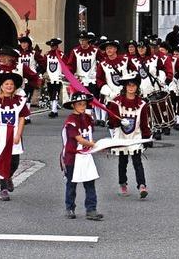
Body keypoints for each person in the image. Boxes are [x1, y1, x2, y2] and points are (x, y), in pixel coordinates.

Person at [107, 73, 151, 198]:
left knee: (137, 161)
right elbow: (112, 123)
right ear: (125, 87)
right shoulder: (116, 102)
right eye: (129, 85)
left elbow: (144, 123)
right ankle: (122, 183)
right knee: (123, 161)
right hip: (121, 136)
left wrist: (147, 137)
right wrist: (118, 121)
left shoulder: (142, 104)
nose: (131, 87)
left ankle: (142, 185)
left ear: (137, 87)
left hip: (135, 136)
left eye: (134, 85)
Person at [0, 72, 29, 202]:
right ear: (1, 86)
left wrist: (18, 134)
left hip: (15, 134)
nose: (9, 86)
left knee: (14, 161)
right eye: (6, 84)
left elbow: (22, 118)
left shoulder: (20, 101)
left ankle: (8, 176)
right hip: (1, 135)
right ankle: (3, 189)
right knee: (3, 161)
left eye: (11, 84)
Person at [61, 91, 103, 221]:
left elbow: (88, 135)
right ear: (74, 105)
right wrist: (94, 145)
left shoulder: (88, 119)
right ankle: (70, 207)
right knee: (71, 184)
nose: (82, 106)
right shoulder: (71, 121)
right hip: (73, 156)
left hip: (86, 156)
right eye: (79, 104)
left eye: (84, 104)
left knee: (90, 182)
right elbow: (79, 139)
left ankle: (91, 209)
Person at [0, 46, 41, 123]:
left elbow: (33, 76)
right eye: (0, 56)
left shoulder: (20, 67)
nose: (0, 58)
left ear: (10, 57)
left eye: (3, 56)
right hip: (1, 97)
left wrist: (36, 84)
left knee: (16, 121)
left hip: (16, 96)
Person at [96, 39, 137, 127]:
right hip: (111, 95)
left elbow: (135, 72)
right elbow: (100, 80)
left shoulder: (125, 59)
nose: (108, 50)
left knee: (128, 117)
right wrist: (109, 93)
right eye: (107, 49)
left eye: (110, 48)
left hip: (126, 94)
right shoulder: (102, 64)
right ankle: (114, 138)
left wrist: (131, 87)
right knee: (113, 120)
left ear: (115, 49)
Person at [66, 31, 100, 119]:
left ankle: (89, 117)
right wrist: (69, 74)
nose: (82, 42)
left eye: (84, 40)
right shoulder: (75, 51)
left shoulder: (96, 50)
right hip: (80, 80)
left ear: (88, 40)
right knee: (81, 99)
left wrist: (98, 72)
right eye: (81, 40)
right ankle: (82, 116)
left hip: (92, 79)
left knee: (90, 99)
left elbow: (103, 62)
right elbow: (70, 65)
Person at [18, 35, 43, 111]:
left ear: (28, 44)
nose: (23, 45)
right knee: (22, 95)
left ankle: (26, 116)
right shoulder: (18, 54)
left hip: (31, 77)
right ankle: (23, 113)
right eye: (22, 43)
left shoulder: (33, 53)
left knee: (28, 95)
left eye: (25, 43)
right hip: (21, 77)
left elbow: (43, 62)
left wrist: (39, 72)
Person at [44, 38, 64, 118]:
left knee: (55, 93)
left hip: (57, 77)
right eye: (51, 46)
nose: (53, 47)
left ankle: (53, 110)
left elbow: (65, 64)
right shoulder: (47, 54)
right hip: (50, 77)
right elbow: (44, 64)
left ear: (57, 46)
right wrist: (43, 74)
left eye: (54, 46)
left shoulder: (61, 54)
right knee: (50, 93)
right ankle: (54, 110)